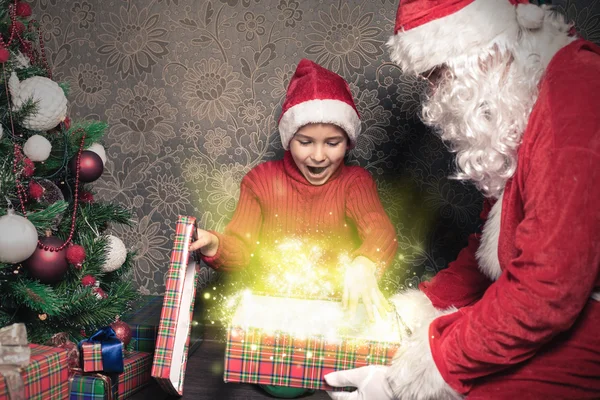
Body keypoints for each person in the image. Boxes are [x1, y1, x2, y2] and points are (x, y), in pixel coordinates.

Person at [325, 0, 600, 399]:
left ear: (479, 50)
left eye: (439, 74)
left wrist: (420, 372)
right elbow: (491, 252)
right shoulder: (523, 103)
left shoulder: (576, 95)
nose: (437, 93)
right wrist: (416, 312)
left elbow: (548, 289)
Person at [189, 59, 398, 397]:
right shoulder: (261, 180)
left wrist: (365, 263)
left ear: (348, 140)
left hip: (337, 323)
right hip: (273, 324)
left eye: (332, 143)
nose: (318, 155)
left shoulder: (355, 181)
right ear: (289, 138)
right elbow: (241, 249)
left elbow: (380, 231)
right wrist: (214, 243)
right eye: (306, 142)